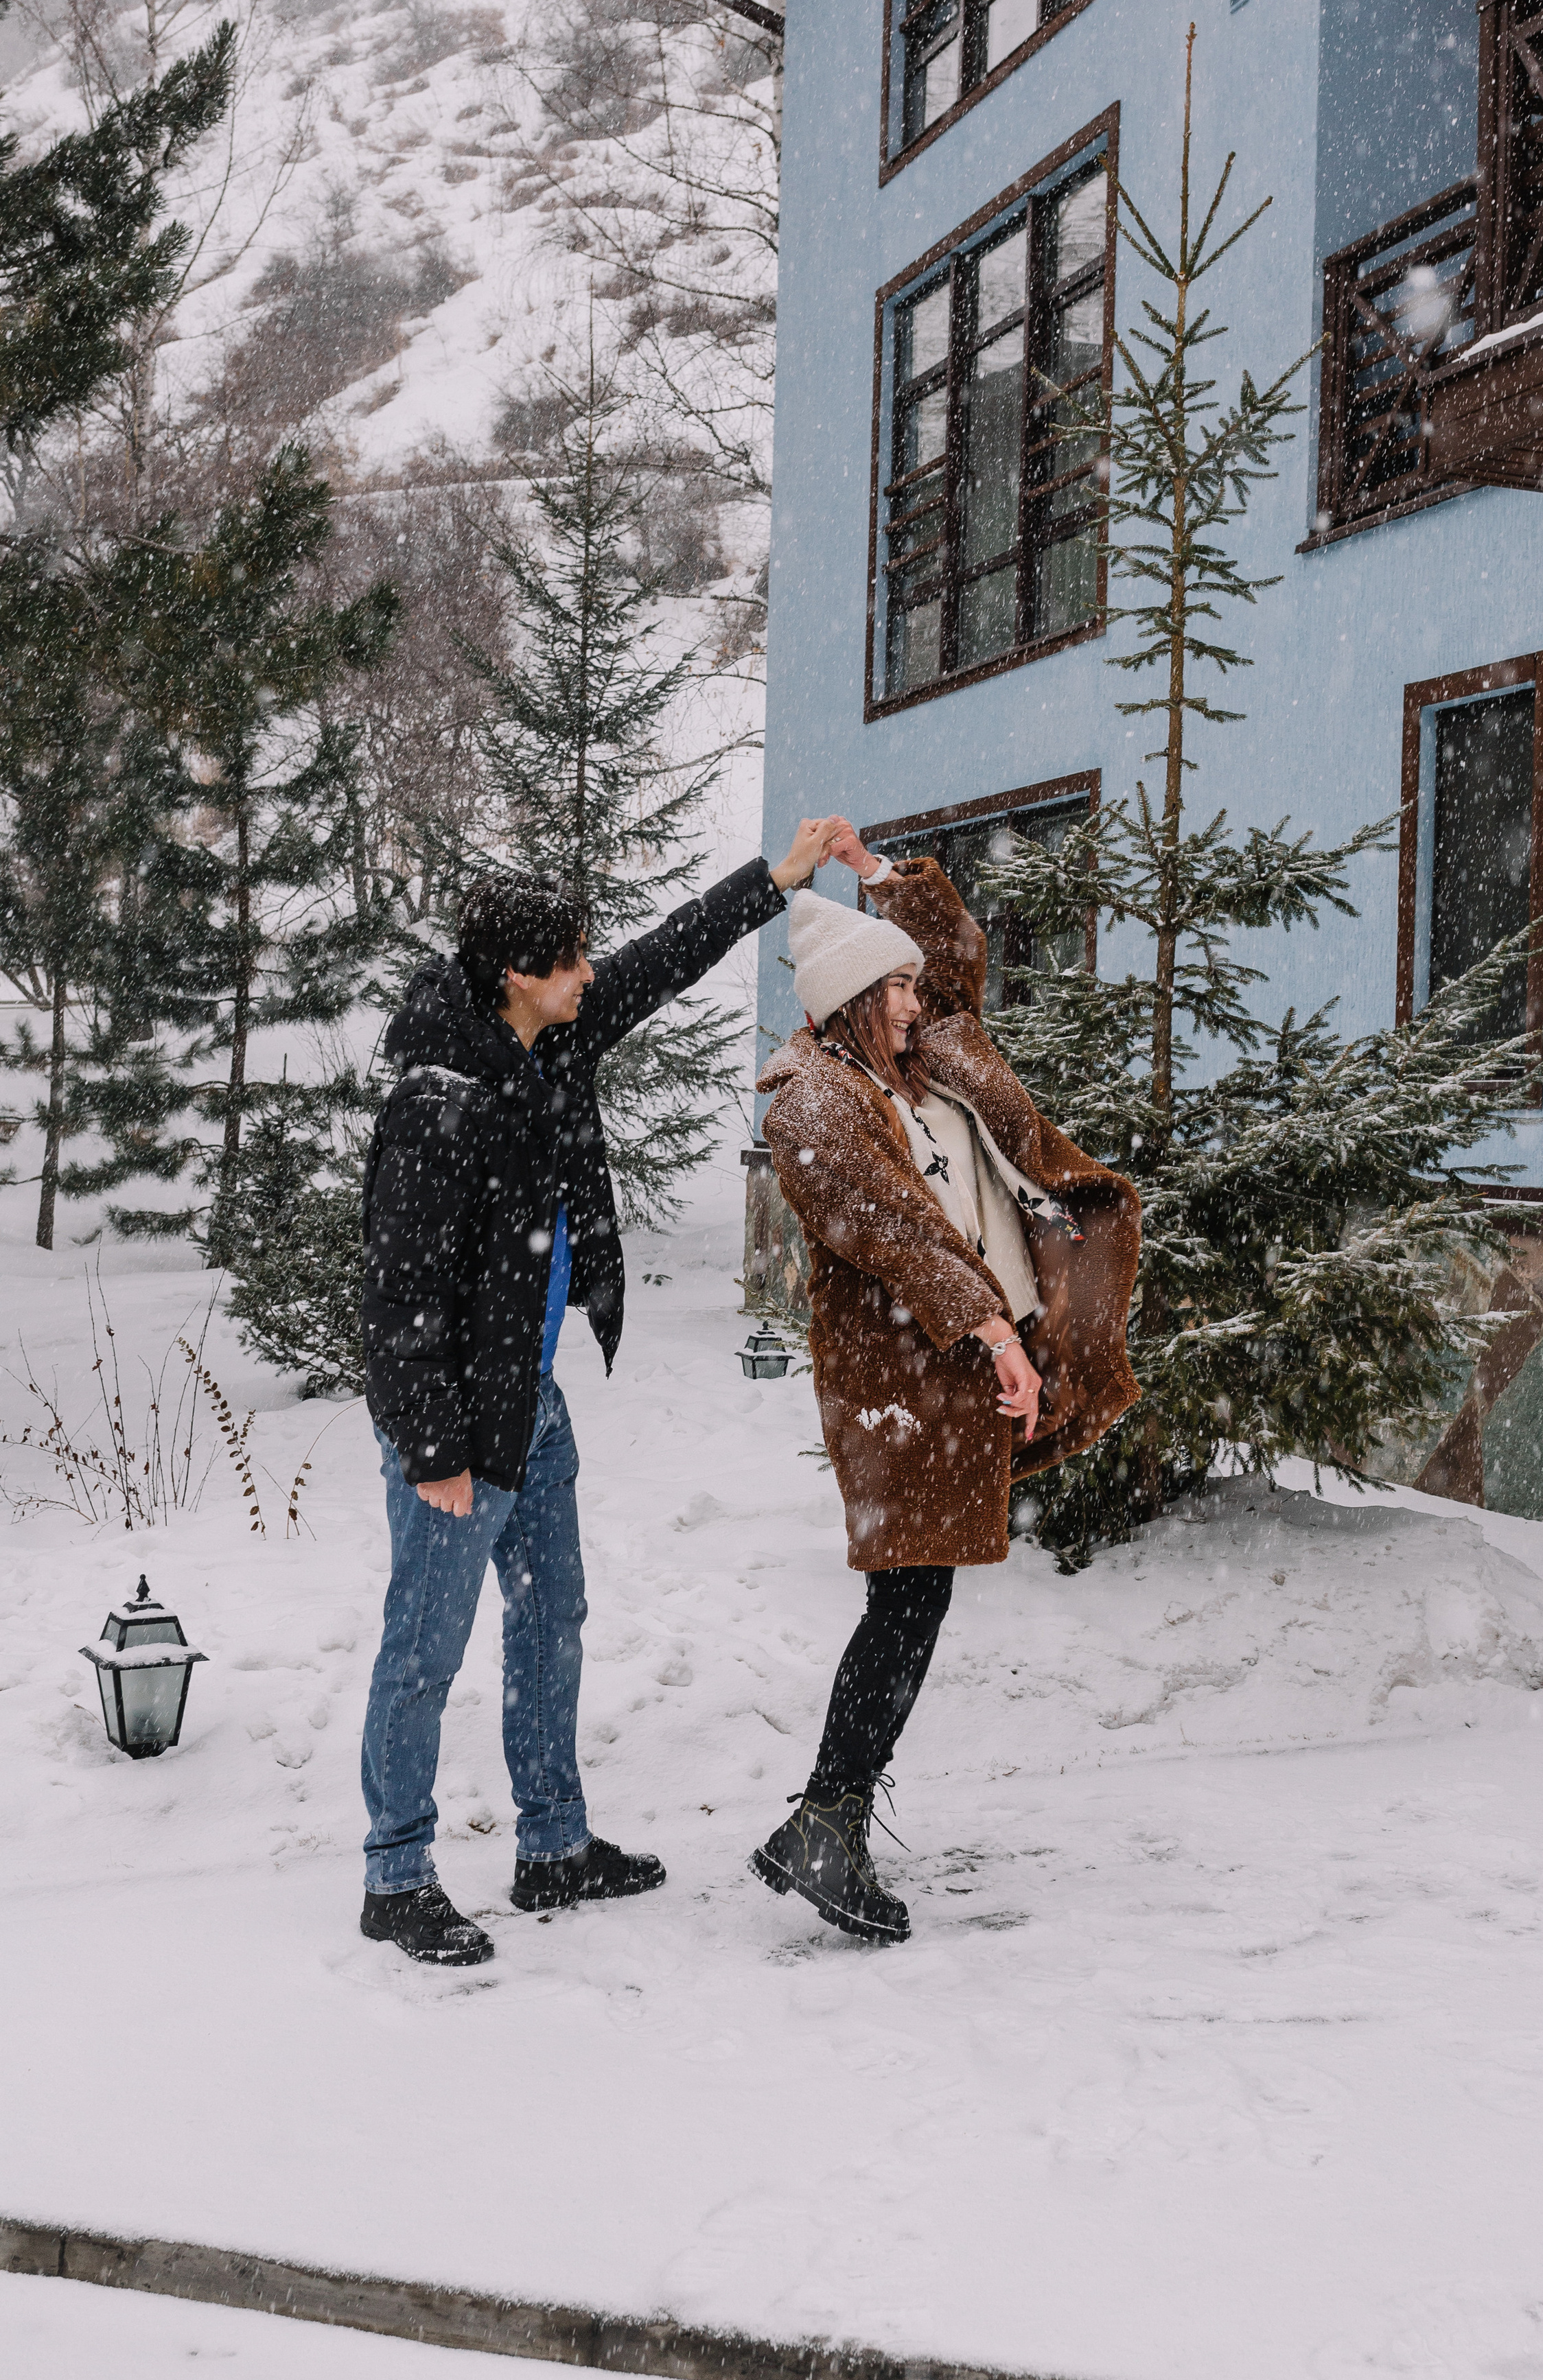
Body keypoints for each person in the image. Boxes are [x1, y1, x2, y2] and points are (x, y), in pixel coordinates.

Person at [358, 820, 844, 1965]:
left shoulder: (547, 1040)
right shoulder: (438, 1101)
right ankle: (394, 1874)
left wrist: (775, 881)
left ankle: (553, 1848)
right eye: (571, 958)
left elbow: (665, 957)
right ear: (518, 975)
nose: (591, 972)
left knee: (552, 1620)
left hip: (529, 1400)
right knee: (424, 1649)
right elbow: (398, 1301)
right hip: (456, 1432)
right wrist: (434, 1453)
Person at [749, 834, 1141, 1944]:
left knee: (915, 1601)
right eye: (902, 989)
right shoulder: (811, 1103)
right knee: (907, 1601)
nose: (923, 1000)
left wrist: (881, 874)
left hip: (954, 1374)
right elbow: (892, 1235)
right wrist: (992, 1334)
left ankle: (829, 1815)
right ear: (857, 1000)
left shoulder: (924, 1064)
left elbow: (953, 956)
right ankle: (827, 1817)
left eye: (919, 985)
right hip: (901, 1386)